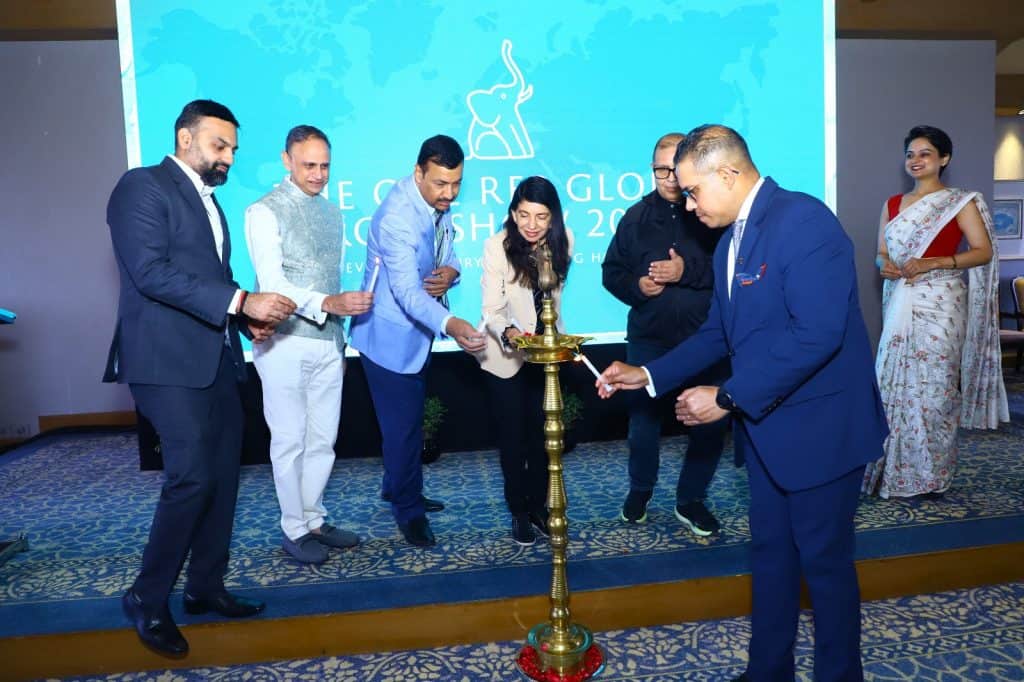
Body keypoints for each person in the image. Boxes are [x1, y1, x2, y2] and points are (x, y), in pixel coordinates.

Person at [598, 124, 889, 682]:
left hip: (822, 432)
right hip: (768, 431)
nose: (686, 203)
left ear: (728, 175)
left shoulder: (804, 223)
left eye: (692, 191)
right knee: (772, 561)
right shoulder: (731, 239)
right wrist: (648, 374)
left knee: (824, 570)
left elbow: (818, 334)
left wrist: (727, 397)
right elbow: (717, 335)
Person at [104, 100, 297, 656]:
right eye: (220, 145)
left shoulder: (210, 200)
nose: (229, 157)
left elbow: (208, 278)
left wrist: (245, 317)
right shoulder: (142, 187)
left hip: (215, 358)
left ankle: (205, 587)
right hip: (164, 364)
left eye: (233, 148)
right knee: (189, 478)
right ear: (186, 139)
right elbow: (151, 273)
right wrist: (241, 299)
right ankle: (147, 597)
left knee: (221, 477)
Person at [348, 134, 486, 547]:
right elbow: (408, 295)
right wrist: (453, 323)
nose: (450, 193)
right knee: (403, 429)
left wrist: (451, 273)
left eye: (457, 183)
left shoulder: (434, 204)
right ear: (418, 173)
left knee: (404, 424)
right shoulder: (396, 218)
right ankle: (408, 511)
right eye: (441, 184)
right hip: (388, 337)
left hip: (415, 336)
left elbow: (449, 252)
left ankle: (398, 487)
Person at [245, 125, 372, 564]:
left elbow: (329, 276)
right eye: (309, 165)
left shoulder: (333, 212)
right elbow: (274, 283)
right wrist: (328, 303)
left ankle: (315, 518)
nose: (318, 174)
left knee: (323, 440)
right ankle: (293, 528)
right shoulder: (263, 211)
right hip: (283, 344)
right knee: (289, 441)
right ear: (287, 161)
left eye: (325, 166)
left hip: (327, 342)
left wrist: (338, 339)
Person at [864, 125, 1008, 499]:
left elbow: (982, 251)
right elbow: (882, 251)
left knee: (935, 390)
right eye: (910, 153)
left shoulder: (960, 201)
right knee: (891, 383)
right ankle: (890, 470)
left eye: (925, 153)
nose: (915, 160)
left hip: (941, 303)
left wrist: (932, 263)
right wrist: (886, 264)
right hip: (901, 299)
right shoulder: (893, 204)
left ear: (944, 159)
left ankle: (930, 475)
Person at [602, 132, 727, 534]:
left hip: (705, 338)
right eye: (661, 169)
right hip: (649, 339)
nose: (669, 178)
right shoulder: (635, 217)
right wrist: (637, 287)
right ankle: (640, 490)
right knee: (642, 424)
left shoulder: (711, 213)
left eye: (675, 169)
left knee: (709, 423)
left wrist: (684, 272)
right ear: (652, 169)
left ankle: (691, 499)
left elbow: (729, 271)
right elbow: (611, 273)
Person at [476, 176, 573, 546]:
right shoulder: (496, 246)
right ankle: (519, 510)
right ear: (513, 212)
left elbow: (553, 301)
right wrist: (511, 333)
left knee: (544, 437)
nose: (531, 225)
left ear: (553, 218)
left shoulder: (563, 243)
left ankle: (539, 507)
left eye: (541, 217)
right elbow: (492, 309)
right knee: (514, 439)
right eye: (523, 215)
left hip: (547, 356)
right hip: (506, 357)